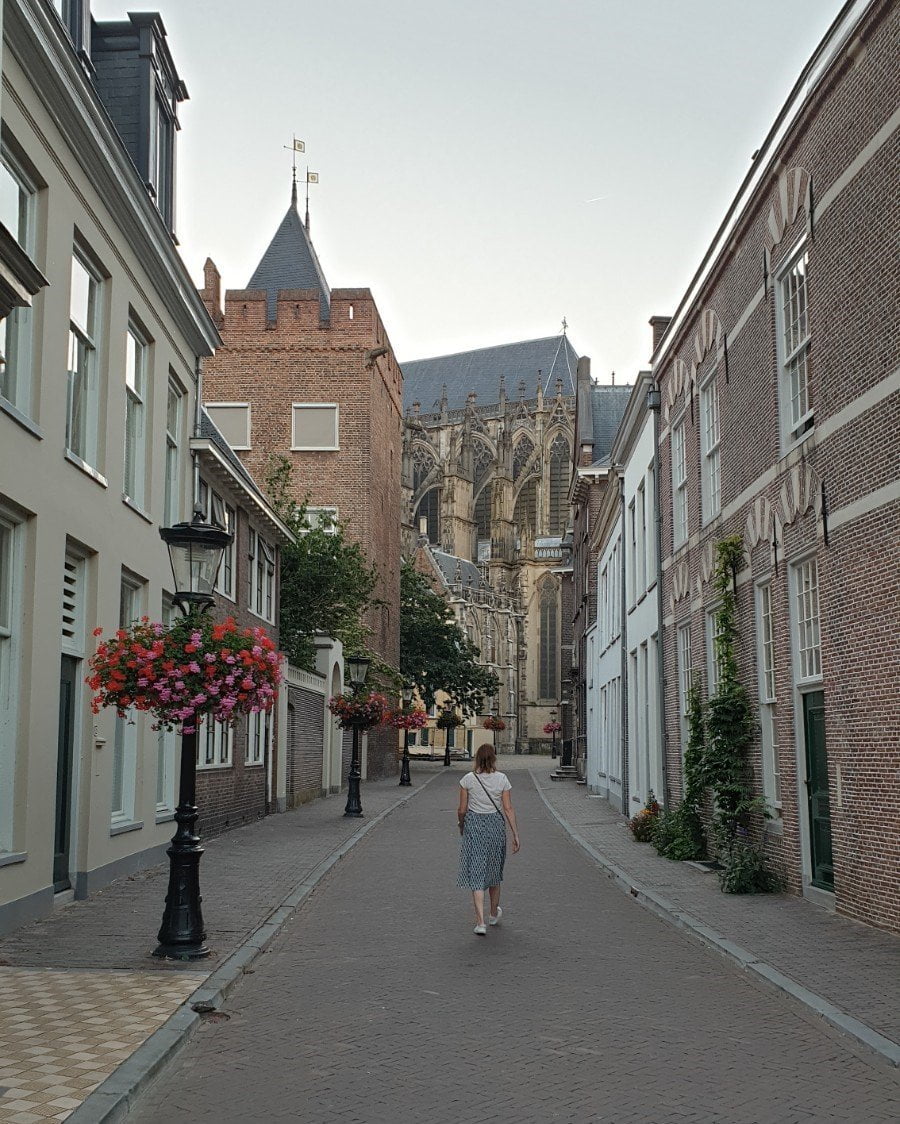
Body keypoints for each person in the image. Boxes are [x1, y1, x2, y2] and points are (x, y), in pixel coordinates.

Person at [457, 743, 520, 935]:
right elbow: (508, 808)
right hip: (495, 827)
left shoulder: (467, 779)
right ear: (493, 758)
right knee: (494, 871)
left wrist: (461, 824)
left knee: (476, 873)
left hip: (474, 827)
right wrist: (515, 834)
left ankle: (480, 923)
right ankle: (493, 914)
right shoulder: (502, 779)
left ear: (477, 757)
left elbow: (462, 809)